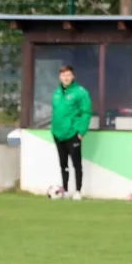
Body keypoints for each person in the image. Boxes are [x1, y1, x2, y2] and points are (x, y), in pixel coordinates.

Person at [50, 65, 92, 201]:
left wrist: (81, 131)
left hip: (73, 134)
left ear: (73, 76)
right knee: (63, 163)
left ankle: (78, 191)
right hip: (58, 134)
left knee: (76, 163)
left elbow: (86, 112)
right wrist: (54, 129)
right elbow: (56, 113)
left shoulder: (80, 92)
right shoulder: (56, 93)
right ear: (59, 77)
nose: (66, 78)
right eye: (63, 75)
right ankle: (65, 190)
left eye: (68, 75)